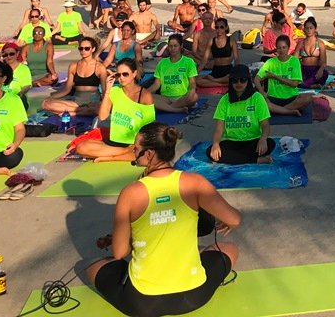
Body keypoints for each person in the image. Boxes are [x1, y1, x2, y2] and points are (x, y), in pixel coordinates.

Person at [86, 122, 241, 317]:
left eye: (136, 150)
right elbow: (234, 219)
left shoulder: (131, 193)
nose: (133, 153)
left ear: (149, 154)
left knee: (93, 266)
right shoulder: (194, 182)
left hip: (143, 302)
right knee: (230, 248)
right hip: (194, 296)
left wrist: (132, 239)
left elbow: (119, 253)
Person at [76, 58, 156, 162]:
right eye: (118, 75)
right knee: (81, 147)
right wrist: (108, 90)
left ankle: (112, 157)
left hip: (135, 142)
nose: (121, 78)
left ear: (134, 73)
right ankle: (124, 152)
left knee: (147, 150)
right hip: (116, 143)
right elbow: (102, 116)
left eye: (125, 74)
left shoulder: (145, 95)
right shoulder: (114, 91)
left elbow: (151, 125)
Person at [210, 64, 275, 164]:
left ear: (248, 80)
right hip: (231, 142)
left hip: (253, 140)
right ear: (231, 82)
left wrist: (263, 138)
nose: (239, 83)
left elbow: (265, 124)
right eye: (235, 80)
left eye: (243, 80)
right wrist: (215, 144)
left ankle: (236, 158)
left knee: (270, 143)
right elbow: (219, 128)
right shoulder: (224, 100)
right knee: (211, 151)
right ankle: (256, 160)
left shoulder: (257, 98)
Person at [42, 37, 109, 116]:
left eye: (87, 48)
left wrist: (104, 104)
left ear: (93, 49)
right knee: (46, 104)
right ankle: (79, 111)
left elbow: (105, 90)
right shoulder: (73, 66)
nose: (83, 51)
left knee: (99, 108)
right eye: (81, 48)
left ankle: (73, 112)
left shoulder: (100, 68)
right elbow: (66, 90)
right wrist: (51, 97)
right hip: (76, 101)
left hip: (93, 101)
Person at [255, 35, 313, 116]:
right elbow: (256, 79)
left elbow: (294, 84)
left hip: (291, 98)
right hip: (273, 98)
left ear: (288, 48)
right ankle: (288, 111)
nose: (281, 50)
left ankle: (278, 110)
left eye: (284, 47)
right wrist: (262, 91)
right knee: (259, 100)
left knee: (308, 97)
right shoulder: (270, 62)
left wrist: (275, 76)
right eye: (279, 48)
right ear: (276, 48)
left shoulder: (294, 61)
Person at [149, 35, 199, 113]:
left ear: (181, 46)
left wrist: (192, 90)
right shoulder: (162, 63)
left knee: (194, 97)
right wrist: (144, 92)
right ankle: (176, 109)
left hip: (182, 97)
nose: (172, 49)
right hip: (165, 98)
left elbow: (192, 82)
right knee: (148, 97)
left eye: (175, 46)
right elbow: (156, 84)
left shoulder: (189, 62)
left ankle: (166, 108)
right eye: (170, 46)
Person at [198, 18, 240, 87]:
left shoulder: (231, 40)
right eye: (217, 27)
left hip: (227, 71)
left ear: (226, 27)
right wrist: (196, 73)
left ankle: (215, 81)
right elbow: (204, 60)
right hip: (216, 70)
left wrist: (237, 71)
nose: (219, 30)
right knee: (198, 81)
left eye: (221, 27)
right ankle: (221, 84)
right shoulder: (211, 41)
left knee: (233, 78)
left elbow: (237, 58)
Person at [294, 17, 328, 88]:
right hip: (303, 69)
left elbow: (324, 62)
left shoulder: (320, 43)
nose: (309, 30)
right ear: (304, 30)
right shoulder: (300, 43)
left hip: (316, 70)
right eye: (307, 28)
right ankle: (311, 85)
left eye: (311, 28)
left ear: (315, 29)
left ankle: (306, 84)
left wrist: (320, 71)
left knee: (324, 73)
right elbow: (294, 59)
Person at [0, 41, 32, 109]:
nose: (8, 57)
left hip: (16, 97)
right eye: (5, 55)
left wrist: (21, 93)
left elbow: (27, 85)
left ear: (17, 54)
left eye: (11, 54)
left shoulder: (24, 68)